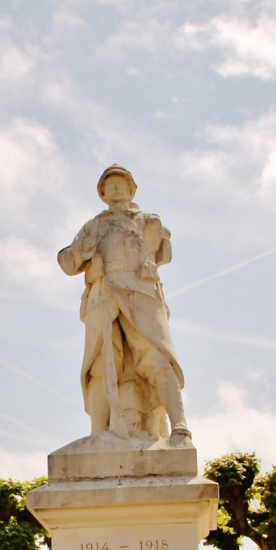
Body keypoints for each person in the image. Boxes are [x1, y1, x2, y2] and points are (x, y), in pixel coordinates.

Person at [58, 165, 192, 444]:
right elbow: (67, 262)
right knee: (101, 362)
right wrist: (83, 250)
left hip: (142, 292)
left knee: (157, 356)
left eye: (122, 184)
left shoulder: (147, 220)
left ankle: (179, 425)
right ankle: (98, 434)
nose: (116, 189)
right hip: (103, 295)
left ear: (132, 190)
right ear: (102, 193)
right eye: (110, 185)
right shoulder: (93, 226)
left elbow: (163, 251)